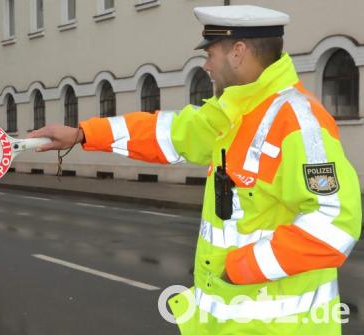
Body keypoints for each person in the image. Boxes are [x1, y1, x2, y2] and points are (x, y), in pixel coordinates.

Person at [29, 5, 361, 335]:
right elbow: (170, 133)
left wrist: (238, 268)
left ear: (238, 52)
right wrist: (81, 134)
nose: (206, 65)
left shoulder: (299, 124)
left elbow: (335, 222)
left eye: (211, 54)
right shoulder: (235, 112)